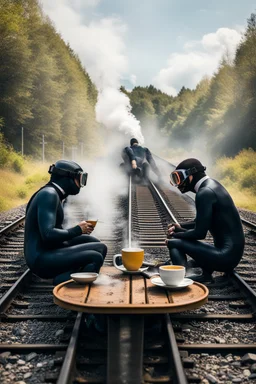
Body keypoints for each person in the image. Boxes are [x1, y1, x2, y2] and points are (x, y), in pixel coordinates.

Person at [24, 159, 107, 285]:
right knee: (95, 256)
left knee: (95, 244)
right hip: (40, 258)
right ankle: (65, 283)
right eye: (80, 179)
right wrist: (77, 230)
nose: (80, 184)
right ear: (67, 178)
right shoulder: (49, 195)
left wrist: (79, 230)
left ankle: (70, 274)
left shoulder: (54, 193)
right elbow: (48, 235)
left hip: (49, 249)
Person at [165, 158, 245, 283]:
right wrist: (179, 226)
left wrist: (175, 235)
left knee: (174, 242)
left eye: (178, 178)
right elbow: (201, 221)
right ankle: (205, 275)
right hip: (231, 256)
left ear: (190, 176)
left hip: (226, 257)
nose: (177, 184)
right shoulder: (211, 185)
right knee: (181, 239)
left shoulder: (204, 193)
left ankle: (180, 279)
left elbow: (199, 233)